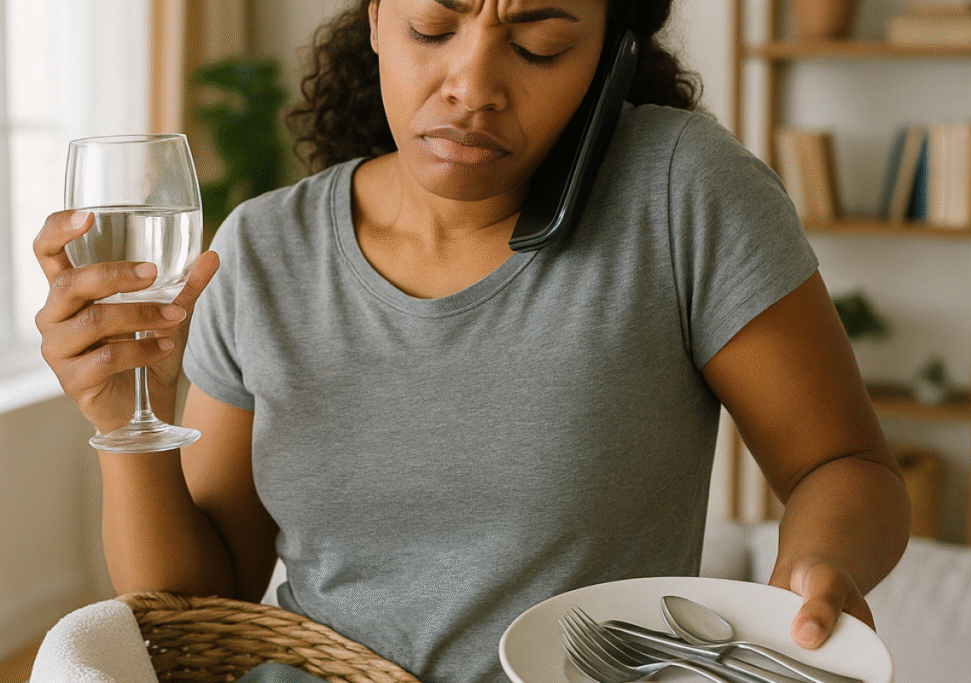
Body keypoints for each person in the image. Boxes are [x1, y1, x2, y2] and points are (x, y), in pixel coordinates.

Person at [34, 1, 911, 682]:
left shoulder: (682, 193)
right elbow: (202, 614)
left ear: (611, 53)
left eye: (538, 45)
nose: (472, 85)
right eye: (431, 27)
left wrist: (818, 569)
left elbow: (844, 463)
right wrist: (123, 413)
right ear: (375, 17)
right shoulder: (265, 248)